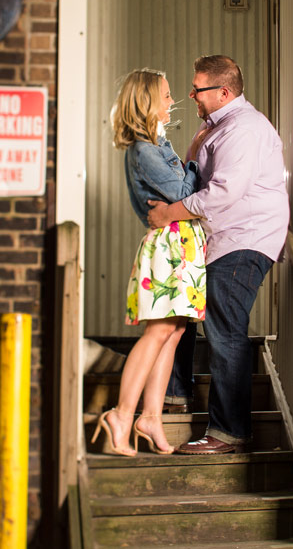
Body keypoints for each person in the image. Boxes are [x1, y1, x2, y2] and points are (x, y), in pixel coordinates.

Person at [147, 55, 289, 454]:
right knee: (185, 310)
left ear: (223, 92)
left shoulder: (243, 129)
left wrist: (168, 215)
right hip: (223, 239)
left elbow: (224, 191)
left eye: (198, 88)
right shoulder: (218, 127)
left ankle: (229, 432)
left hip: (244, 238)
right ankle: (175, 394)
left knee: (225, 328)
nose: (191, 95)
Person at [91, 68, 208, 456]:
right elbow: (183, 192)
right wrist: (192, 165)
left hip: (184, 242)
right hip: (168, 243)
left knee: (173, 332)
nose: (172, 101)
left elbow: (184, 199)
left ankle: (151, 417)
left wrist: (185, 169)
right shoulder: (145, 150)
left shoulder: (160, 145)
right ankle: (122, 415)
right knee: (158, 332)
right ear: (146, 101)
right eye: (166, 94)